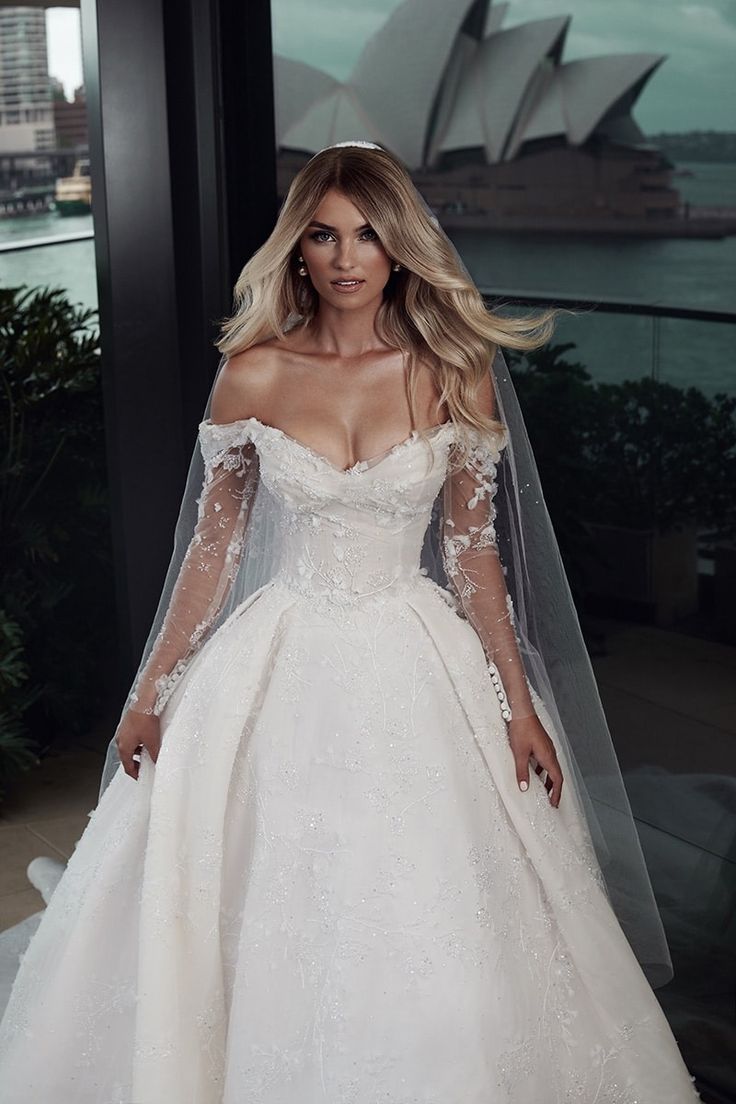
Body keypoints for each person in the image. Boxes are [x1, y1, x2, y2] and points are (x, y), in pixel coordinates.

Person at [0, 141, 701, 1103]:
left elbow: (472, 556)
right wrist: (149, 693)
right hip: (278, 655)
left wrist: (516, 705)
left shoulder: (454, 372)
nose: (344, 256)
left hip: (418, 658)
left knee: (431, 899)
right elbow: (212, 553)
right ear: (297, 250)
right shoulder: (253, 374)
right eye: (324, 234)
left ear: (400, 247)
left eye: (368, 235)